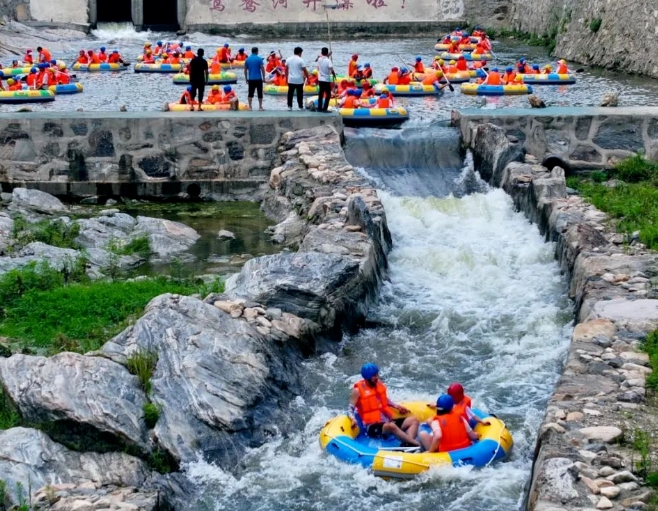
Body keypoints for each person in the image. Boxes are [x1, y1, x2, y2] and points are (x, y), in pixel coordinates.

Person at [349, 363, 420, 447]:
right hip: (372, 427)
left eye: (377, 374)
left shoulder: (377, 384)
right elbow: (350, 408)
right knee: (391, 426)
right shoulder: (357, 391)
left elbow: (385, 400)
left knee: (413, 420)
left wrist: (396, 406)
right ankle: (416, 444)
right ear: (368, 377)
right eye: (374, 376)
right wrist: (353, 419)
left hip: (386, 421)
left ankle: (408, 443)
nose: (377, 377)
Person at [285, 46, 308, 111]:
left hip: (291, 79)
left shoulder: (288, 59)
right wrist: (307, 77)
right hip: (299, 80)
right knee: (299, 94)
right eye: (301, 53)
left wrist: (286, 78)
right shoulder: (301, 60)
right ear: (299, 52)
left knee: (290, 93)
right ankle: (300, 106)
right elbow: (304, 70)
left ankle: (289, 106)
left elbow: (286, 69)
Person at [245, 47, 265, 111]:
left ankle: (250, 107)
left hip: (251, 79)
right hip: (258, 78)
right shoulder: (259, 59)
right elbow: (262, 69)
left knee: (250, 93)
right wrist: (264, 77)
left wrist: (246, 79)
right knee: (260, 93)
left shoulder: (247, 59)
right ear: (257, 51)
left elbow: (245, 70)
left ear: (251, 51)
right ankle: (260, 107)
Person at [317, 46, 335, 113]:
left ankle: (319, 108)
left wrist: (328, 55)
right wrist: (333, 74)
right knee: (328, 95)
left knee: (320, 94)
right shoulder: (328, 60)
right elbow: (331, 69)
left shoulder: (319, 59)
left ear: (321, 52)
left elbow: (323, 57)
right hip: (326, 80)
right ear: (327, 53)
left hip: (320, 79)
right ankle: (324, 109)